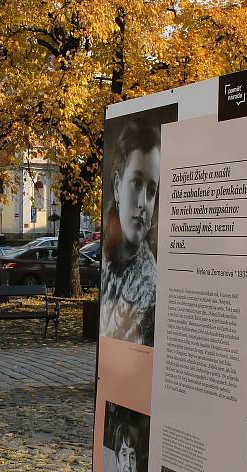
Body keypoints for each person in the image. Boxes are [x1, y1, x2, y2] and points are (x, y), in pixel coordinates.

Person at [100, 118, 160, 347]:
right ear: (117, 186)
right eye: (136, 183)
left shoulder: (150, 285)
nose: (144, 203)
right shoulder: (106, 253)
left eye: (152, 190)